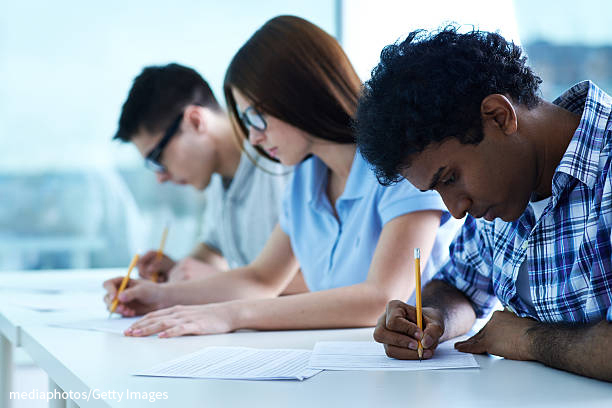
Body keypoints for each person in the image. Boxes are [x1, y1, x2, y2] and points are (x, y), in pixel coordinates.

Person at [103, 15, 459, 335]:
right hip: (341, 365)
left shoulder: (401, 162)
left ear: (298, 97)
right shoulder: (305, 178)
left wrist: (230, 315)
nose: (253, 136)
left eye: (256, 118)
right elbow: (261, 278)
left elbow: (380, 297)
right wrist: (159, 296)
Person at [355, 26, 612, 381]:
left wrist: (528, 340)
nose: (455, 209)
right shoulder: (506, 190)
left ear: (498, 116)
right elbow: (459, 286)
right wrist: (433, 318)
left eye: (449, 178)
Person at [112, 63, 305, 295]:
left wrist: (218, 281)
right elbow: (215, 249)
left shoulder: (282, 162)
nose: (160, 177)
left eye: (157, 158)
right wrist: (176, 271)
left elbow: (331, 282)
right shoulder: (215, 178)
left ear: (195, 121)